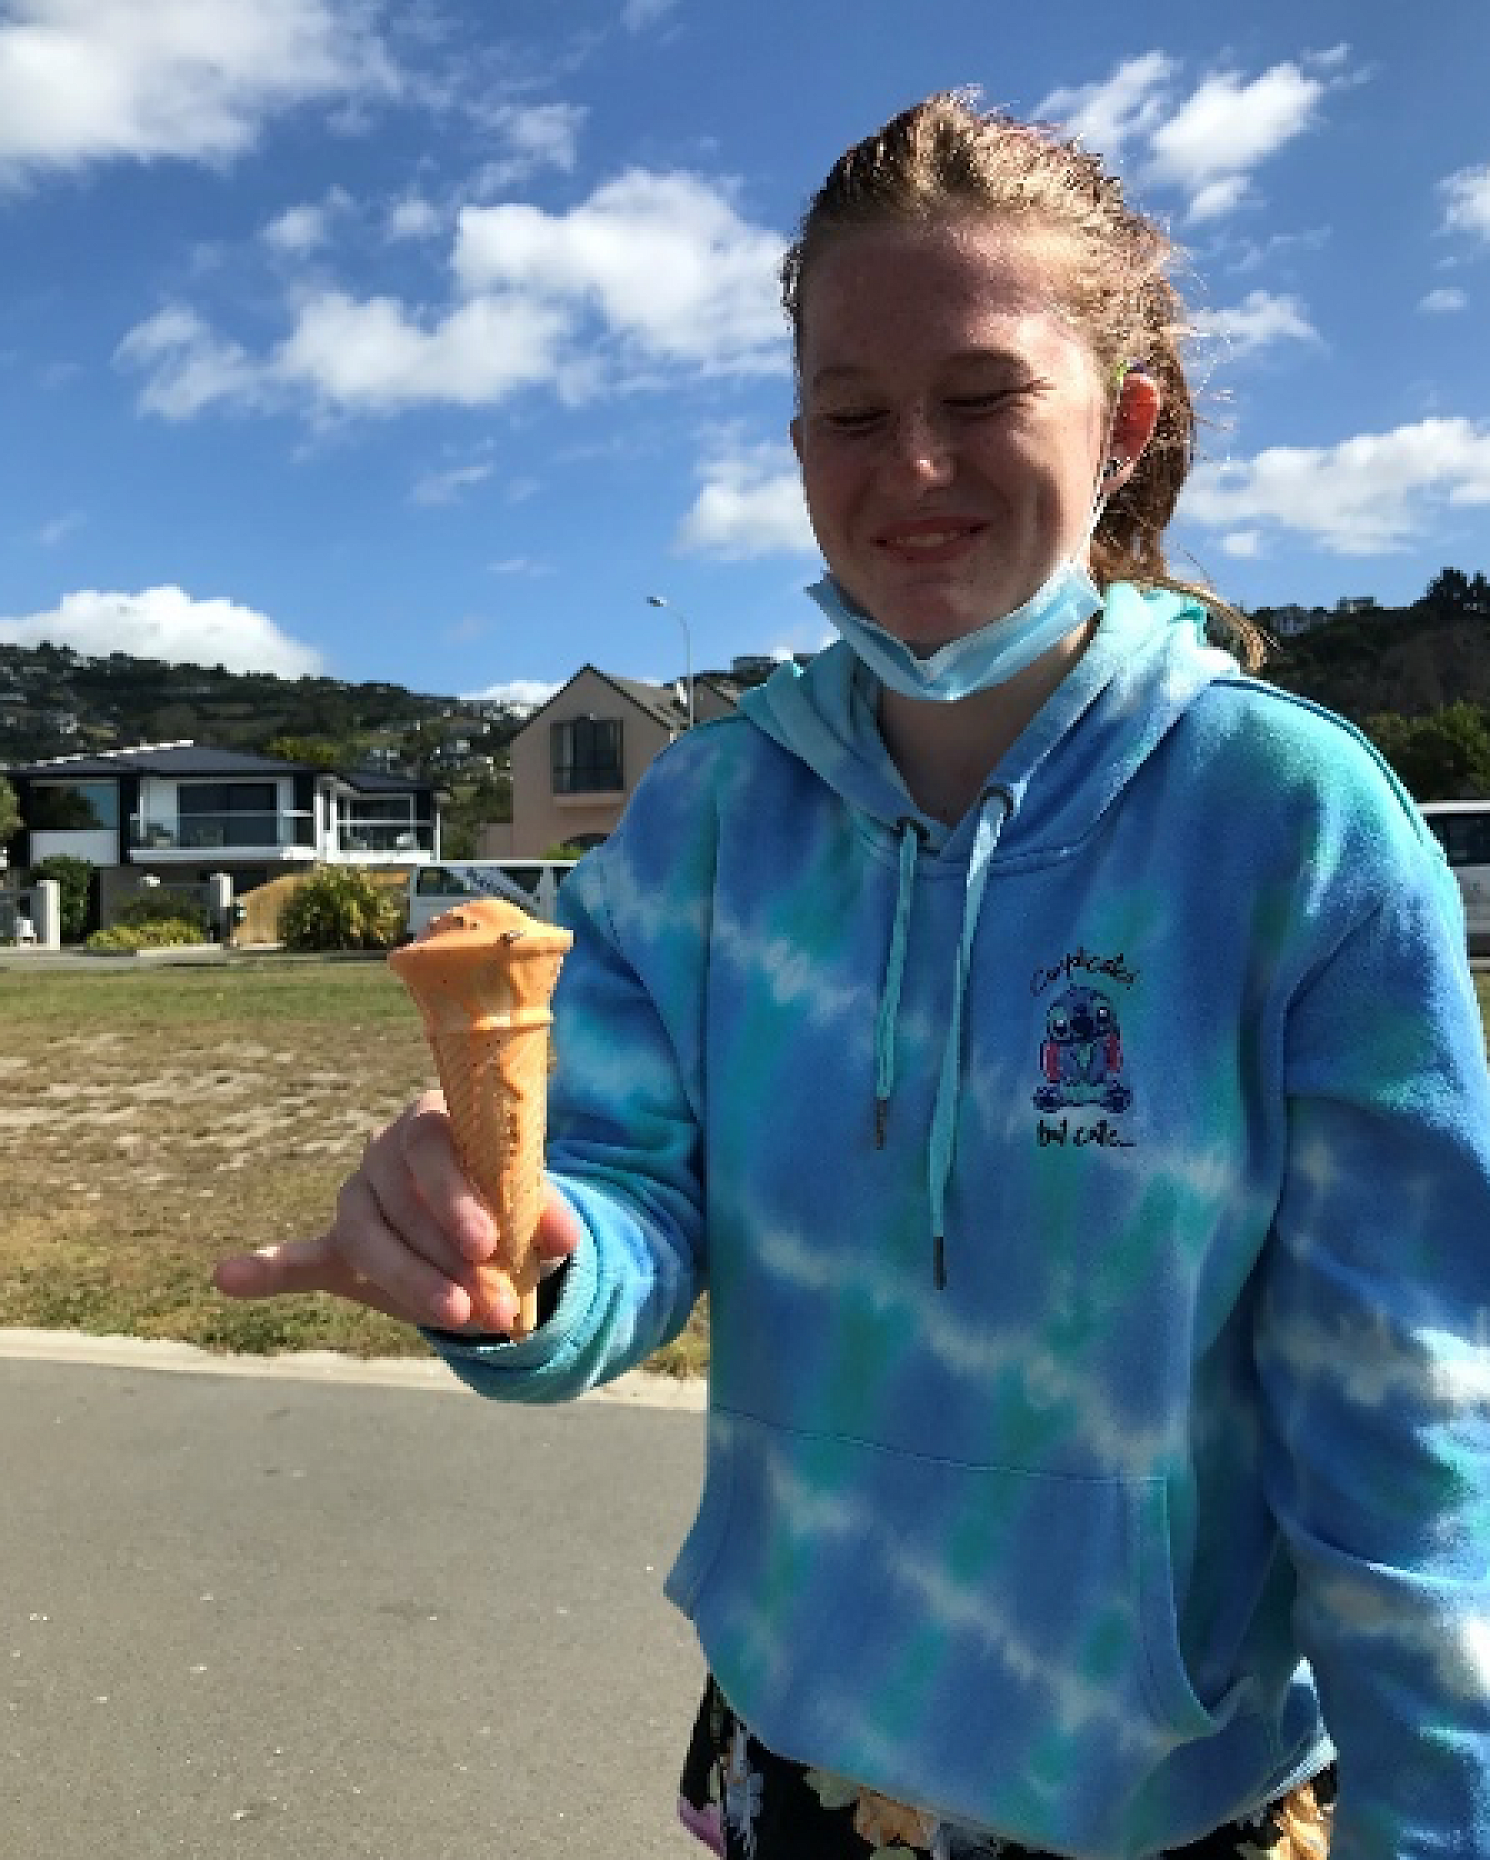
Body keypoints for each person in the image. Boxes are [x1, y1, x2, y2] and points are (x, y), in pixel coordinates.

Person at [214, 93, 1490, 1860]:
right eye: (851, 412)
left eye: (980, 397)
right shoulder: (709, 815)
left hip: (1166, 1789)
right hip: (801, 1753)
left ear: (1123, 425)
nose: (912, 468)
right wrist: (522, 1260)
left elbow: (1399, 1400)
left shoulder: (1285, 821)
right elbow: (628, 1206)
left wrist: (1436, 1821)